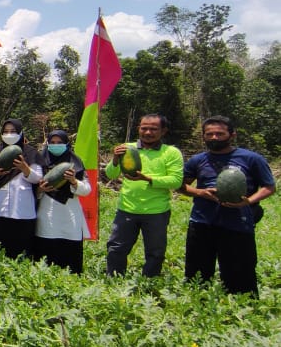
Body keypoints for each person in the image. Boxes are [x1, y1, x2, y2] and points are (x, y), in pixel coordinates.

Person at [181, 116, 275, 295]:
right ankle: (198, 305)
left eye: (219, 133)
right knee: (197, 273)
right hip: (202, 222)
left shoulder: (251, 159)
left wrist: (248, 201)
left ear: (232, 135)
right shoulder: (197, 160)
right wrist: (200, 192)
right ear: (204, 137)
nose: (214, 137)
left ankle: (242, 309)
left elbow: (269, 187)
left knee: (240, 273)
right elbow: (181, 185)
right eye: (209, 134)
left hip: (237, 223)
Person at [104, 113, 183, 277]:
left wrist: (147, 178)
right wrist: (116, 160)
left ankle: (150, 280)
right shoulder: (127, 148)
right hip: (127, 209)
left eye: (153, 129)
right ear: (138, 129)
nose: (148, 132)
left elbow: (175, 181)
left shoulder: (171, 152)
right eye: (144, 128)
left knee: (155, 252)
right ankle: (114, 279)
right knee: (116, 248)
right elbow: (111, 174)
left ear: (163, 131)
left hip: (156, 211)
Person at [0, 119, 45, 259]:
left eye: (13, 131)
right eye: (6, 132)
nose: (9, 134)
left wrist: (25, 169)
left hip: (22, 211)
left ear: (21, 133)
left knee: (21, 253)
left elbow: (38, 178)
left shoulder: (31, 153)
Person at [33, 130, 91, 274]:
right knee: (46, 251)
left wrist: (73, 181)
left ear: (67, 144)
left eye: (60, 143)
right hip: (46, 213)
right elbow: (31, 191)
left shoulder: (76, 163)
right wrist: (40, 190)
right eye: (52, 143)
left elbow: (86, 190)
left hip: (70, 214)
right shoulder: (39, 161)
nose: (56, 145)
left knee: (70, 254)